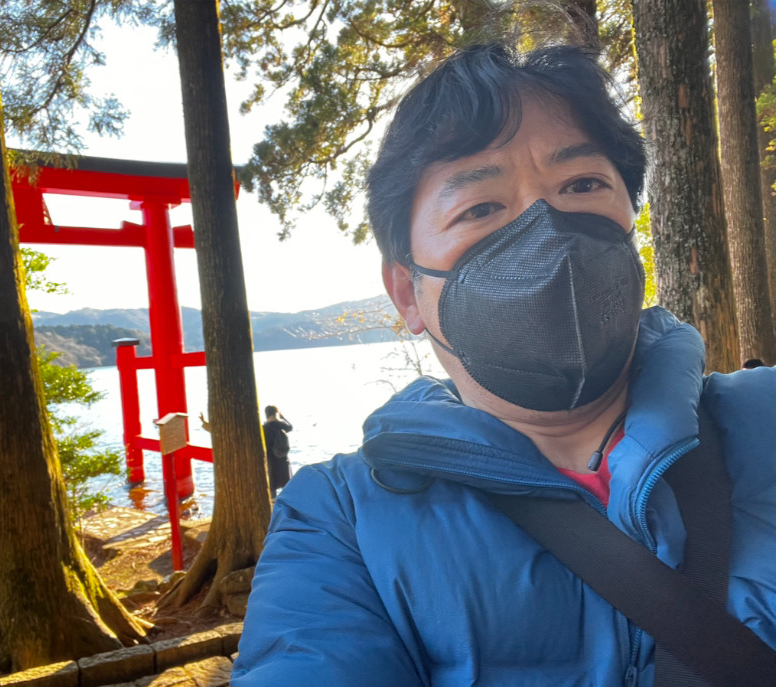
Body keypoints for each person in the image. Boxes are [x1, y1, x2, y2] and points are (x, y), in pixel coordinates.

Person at [232, 43, 776, 686]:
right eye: (481, 207)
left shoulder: (766, 419)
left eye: (582, 184)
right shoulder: (340, 519)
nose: (547, 227)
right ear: (407, 291)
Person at [262, 405, 292, 495]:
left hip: (271, 459)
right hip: (282, 458)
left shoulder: (264, 428)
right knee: (286, 484)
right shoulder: (281, 425)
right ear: (275, 414)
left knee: (272, 484)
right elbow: (290, 427)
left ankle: (272, 502)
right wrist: (283, 418)